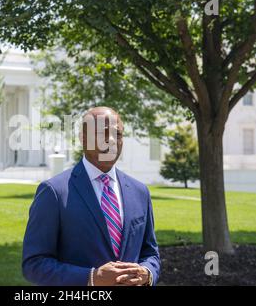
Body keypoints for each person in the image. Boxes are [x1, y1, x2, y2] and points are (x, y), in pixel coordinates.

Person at [22, 106, 160, 286]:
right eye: (102, 133)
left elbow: (150, 253)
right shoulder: (54, 192)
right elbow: (34, 264)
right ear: (83, 138)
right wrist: (92, 278)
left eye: (117, 134)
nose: (110, 140)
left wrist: (147, 274)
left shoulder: (140, 192)